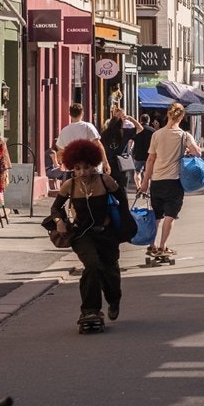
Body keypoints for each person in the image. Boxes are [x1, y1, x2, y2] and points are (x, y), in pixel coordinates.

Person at [52, 137, 135, 327]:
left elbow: (122, 201)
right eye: (78, 168)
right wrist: (59, 222)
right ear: (72, 167)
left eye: (87, 167)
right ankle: (90, 310)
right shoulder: (70, 185)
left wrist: (124, 227)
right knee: (92, 266)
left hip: (106, 233)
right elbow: (56, 208)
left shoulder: (105, 181)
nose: (82, 172)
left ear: (93, 165)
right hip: (82, 234)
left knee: (110, 272)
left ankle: (114, 300)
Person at [138, 102, 204, 262]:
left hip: (157, 181)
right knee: (171, 215)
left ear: (168, 115)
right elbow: (198, 153)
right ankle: (162, 246)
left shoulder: (157, 135)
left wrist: (145, 183)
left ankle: (152, 245)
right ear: (181, 117)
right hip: (174, 182)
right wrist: (189, 151)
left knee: (157, 215)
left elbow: (150, 160)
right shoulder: (184, 135)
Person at [53, 103, 103, 172]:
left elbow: (60, 149)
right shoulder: (88, 127)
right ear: (82, 113)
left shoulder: (64, 130)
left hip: (72, 169)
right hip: (88, 167)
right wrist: (106, 163)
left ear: (70, 114)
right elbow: (98, 145)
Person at [101, 106, 132, 190]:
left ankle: (110, 202)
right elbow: (140, 129)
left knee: (108, 187)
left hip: (109, 163)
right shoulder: (124, 133)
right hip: (122, 164)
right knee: (122, 188)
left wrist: (104, 162)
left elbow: (101, 148)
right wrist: (131, 118)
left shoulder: (104, 134)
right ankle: (123, 202)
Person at [130, 114, 158, 184]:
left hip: (137, 154)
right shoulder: (153, 131)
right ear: (149, 121)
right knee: (147, 173)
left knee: (137, 172)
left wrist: (130, 150)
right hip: (149, 155)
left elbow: (131, 141)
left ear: (140, 120)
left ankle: (138, 187)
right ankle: (145, 191)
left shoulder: (137, 130)